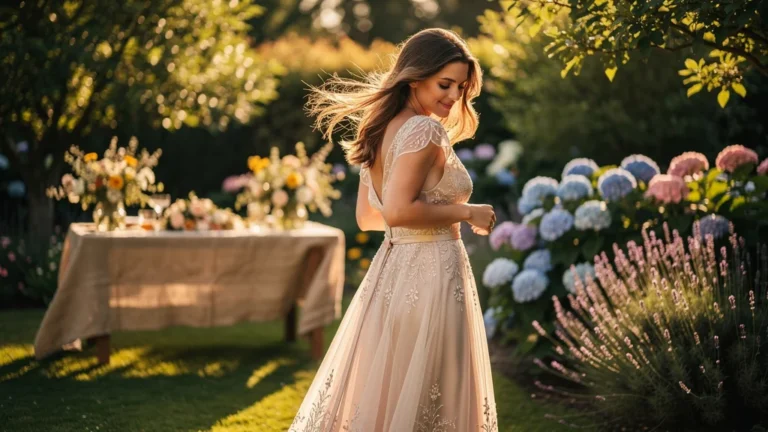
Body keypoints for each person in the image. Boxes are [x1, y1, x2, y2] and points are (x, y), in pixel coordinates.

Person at [289, 28, 498, 432]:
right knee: (430, 386)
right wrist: (467, 212)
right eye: (445, 84)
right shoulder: (423, 130)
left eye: (461, 87)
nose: (454, 97)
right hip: (434, 272)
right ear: (415, 76)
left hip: (393, 272)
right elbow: (400, 211)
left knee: (393, 389)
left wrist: (428, 214)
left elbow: (370, 218)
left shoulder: (383, 128)